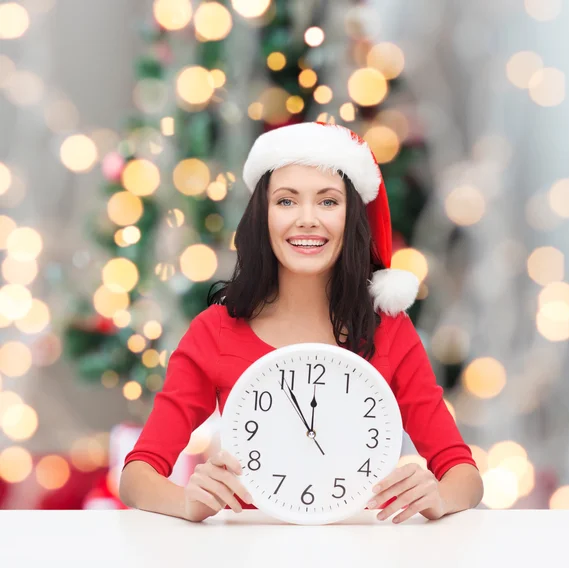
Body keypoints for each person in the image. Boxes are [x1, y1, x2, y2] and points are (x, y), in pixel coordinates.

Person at [119, 122, 484, 524]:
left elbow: (463, 473)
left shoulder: (389, 329)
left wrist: (439, 495)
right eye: (287, 201)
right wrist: (186, 502)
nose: (307, 219)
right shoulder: (215, 331)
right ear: (263, 216)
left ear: (352, 217)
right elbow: (138, 474)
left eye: (328, 202)